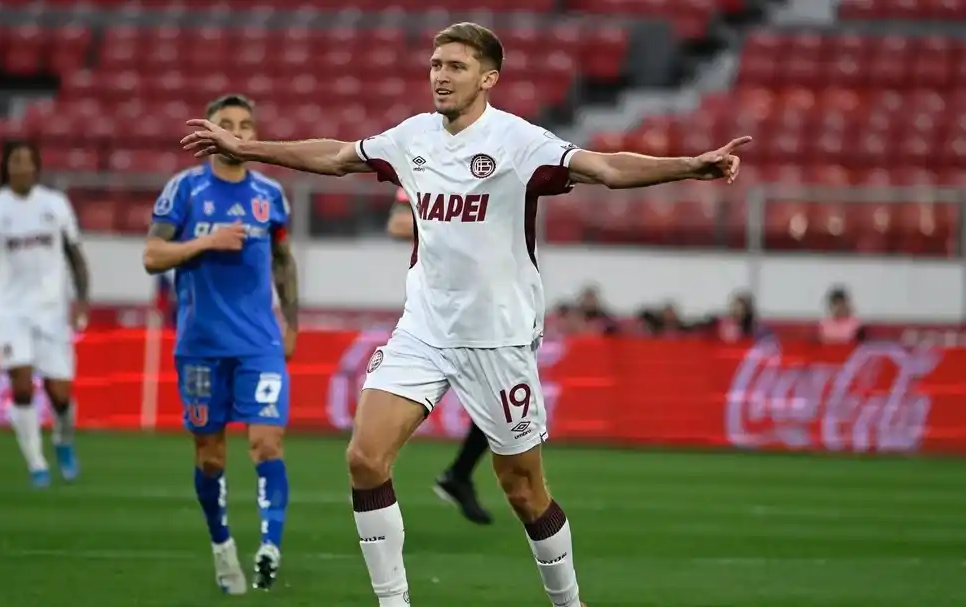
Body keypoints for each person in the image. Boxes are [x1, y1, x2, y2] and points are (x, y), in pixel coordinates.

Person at [180, 22, 748, 607]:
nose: (440, 75)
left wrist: (689, 165)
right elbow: (337, 156)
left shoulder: (519, 141)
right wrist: (247, 149)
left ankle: (568, 603)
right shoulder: (414, 136)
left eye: (454, 66)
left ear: (488, 78)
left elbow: (604, 168)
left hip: (498, 339)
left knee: (524, 492)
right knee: (364, 459)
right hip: (423, 330)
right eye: (435, 65)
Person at [145, 94, 298, 595]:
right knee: (211, 457)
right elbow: (152, 255)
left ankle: (270, 548)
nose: (237, 131)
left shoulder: (271, 194)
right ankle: (221, 545)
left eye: (245, 125)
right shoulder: (184, 191)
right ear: (208, 133)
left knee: (266, 443)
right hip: (201, 345)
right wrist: (203, 242)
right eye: (226, 124)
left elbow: (283, 261)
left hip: (259, 344)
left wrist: (291, 323)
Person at [0, 140, 89, 488]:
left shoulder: (56, 205)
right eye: (15, 161)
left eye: (27, 161)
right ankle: (36, 463)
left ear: (37, 167)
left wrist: (81, 300)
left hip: (52, 310)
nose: (22, 167)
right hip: (10, 311)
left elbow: (75, 255)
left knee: (60, 395)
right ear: (6, 167)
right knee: (22, 386)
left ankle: (63, 441)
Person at [388, 187, 492, 525]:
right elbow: (399, 225)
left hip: (480, 304)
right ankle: (373, 470)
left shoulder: (491, 171)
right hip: (433, 311)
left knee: (497, 405)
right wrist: (452, 227)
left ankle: (459, 474)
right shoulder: (426, 169)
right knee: (402, 401)